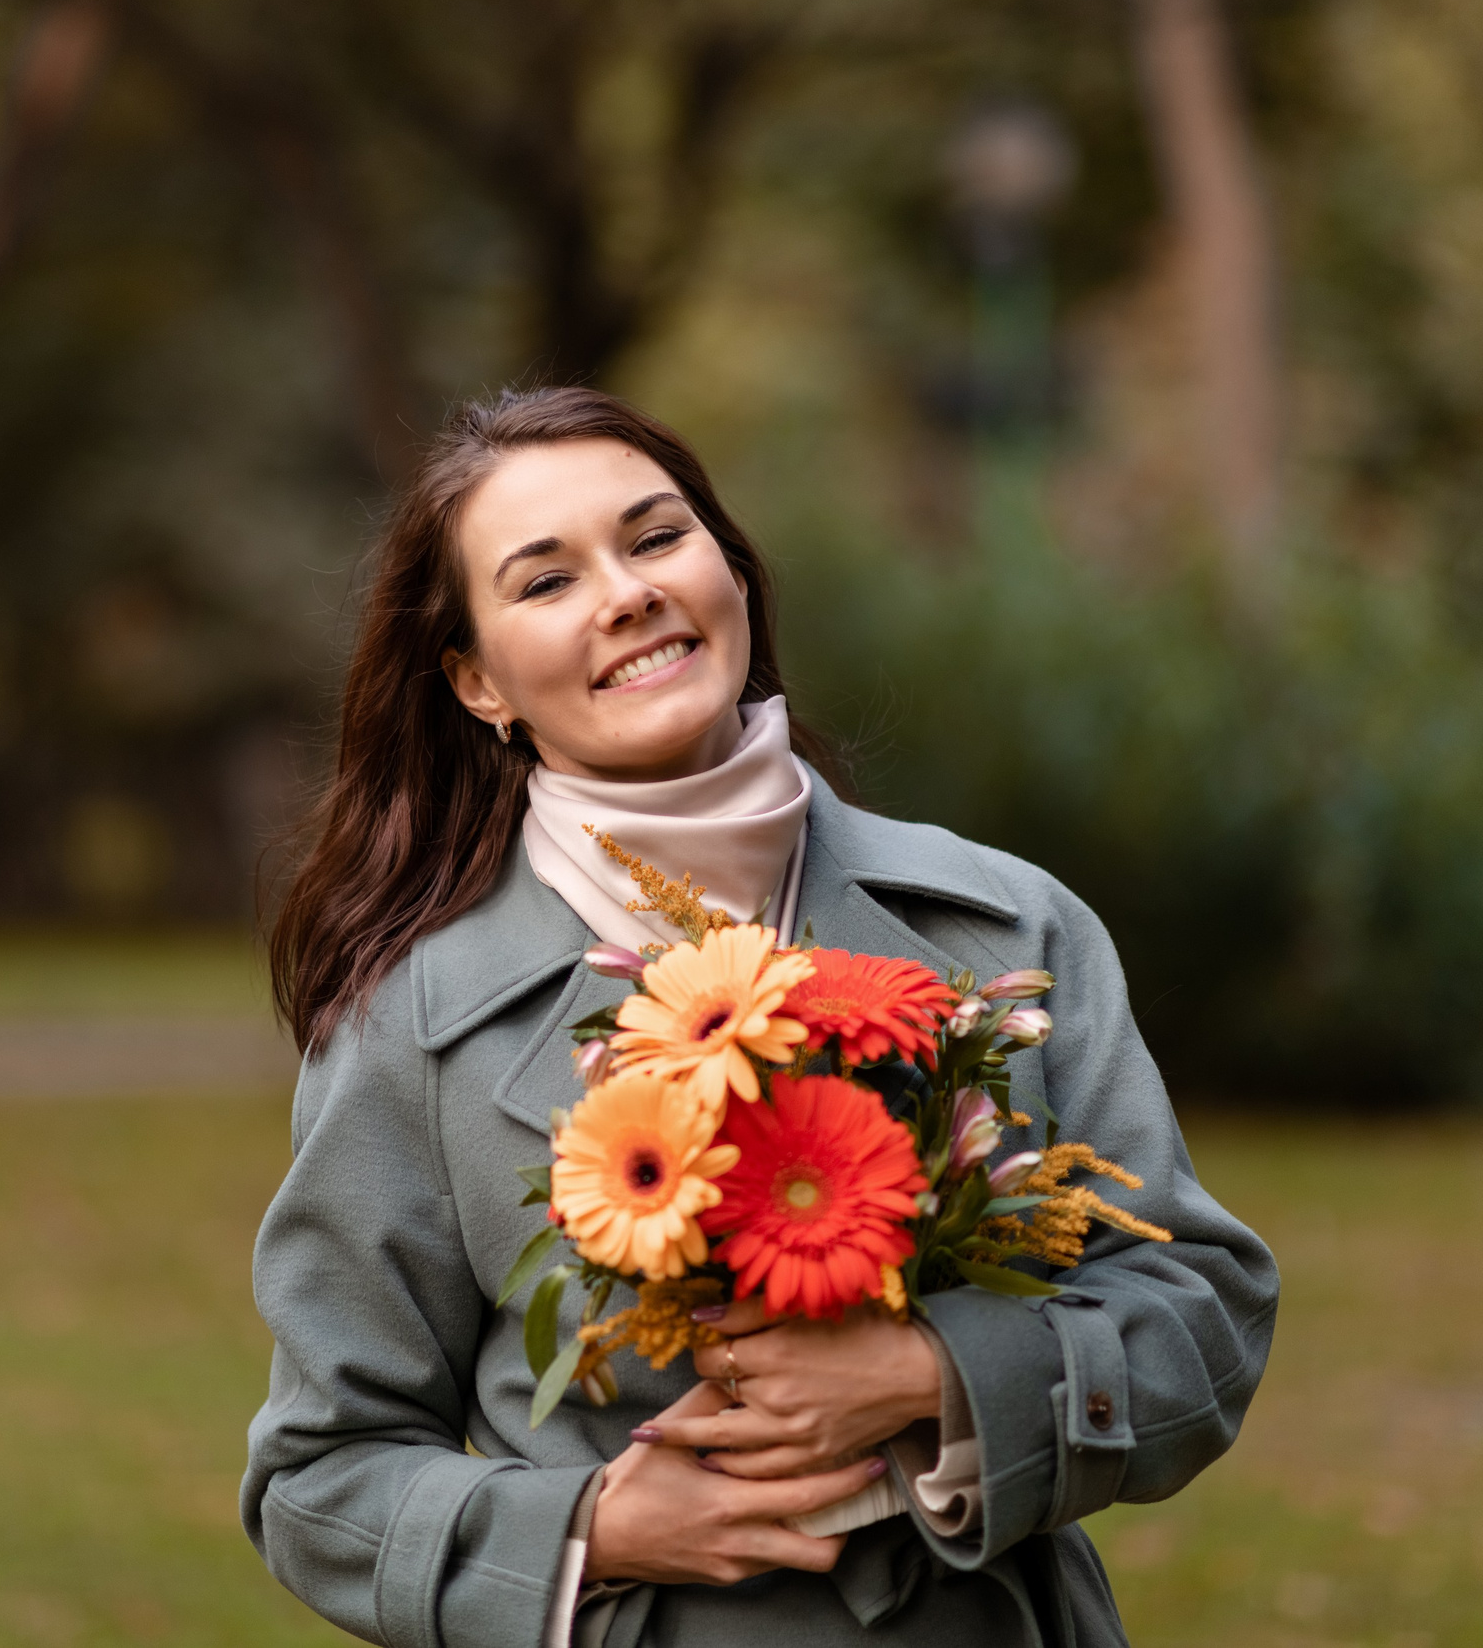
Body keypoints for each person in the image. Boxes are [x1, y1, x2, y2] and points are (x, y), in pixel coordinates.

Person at [243, 386, 1277, 1648]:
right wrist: (593, 1531)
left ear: (730, 569)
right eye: (546, 581)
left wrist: (936, 1377)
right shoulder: (412, 1023)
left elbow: (1201, 1309)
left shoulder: (1002, 927)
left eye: (656, 537)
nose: (625, 592)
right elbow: (319, 1478)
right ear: (476, 682)